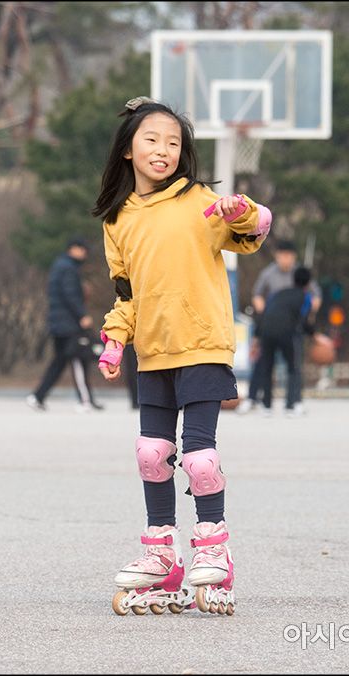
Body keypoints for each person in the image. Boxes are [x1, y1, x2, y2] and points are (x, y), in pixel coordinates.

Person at [92, 97, 272, 616]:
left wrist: (245, 212)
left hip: (202, 345)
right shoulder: (118, 218)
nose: (164, 150)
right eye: (152, 139)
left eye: (173, 142)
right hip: (152, 352)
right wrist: (114, 339)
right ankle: (161, 553)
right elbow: (125, 294)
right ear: (128, 149)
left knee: (197, 455)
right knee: (151, 453)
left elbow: (253, 231)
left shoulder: (198, 201)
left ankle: (214, 549)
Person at [237, 240, 321, 415]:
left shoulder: (296, 276)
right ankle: (259, 400)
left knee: (291, 365)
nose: (285, 259)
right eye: (282, 255)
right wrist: (314, 333)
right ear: (277, 256)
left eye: (288, 255)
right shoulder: (269, 274)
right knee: (267, 365)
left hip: (286, 325)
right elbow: (257, 295)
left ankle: (287, 402)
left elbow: (316, 297)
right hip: (273, 323)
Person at [26, 237, 104, 413]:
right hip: (68, 324)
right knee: (78, 359)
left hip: (58, 323)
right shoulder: (68, 268)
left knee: (60, 361)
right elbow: (70, 295)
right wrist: (82, 315)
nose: (85, 253)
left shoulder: (59, 265)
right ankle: (86, 401)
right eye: (82, 249)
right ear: (73, 249)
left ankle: (37, 396)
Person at [254, 266, 317, 416]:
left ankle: (266, 406)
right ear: (308, 283)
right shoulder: (305, 297)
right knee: (293, 368)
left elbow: (264, 315)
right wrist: (314, 334)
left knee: (267, 368)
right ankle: (291, 405)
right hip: (287, 333)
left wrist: (257, 337)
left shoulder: (277, 294)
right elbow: (303, 320)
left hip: (267, 332)